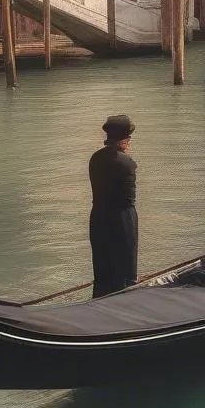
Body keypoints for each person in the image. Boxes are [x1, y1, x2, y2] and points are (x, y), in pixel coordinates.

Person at [88, 114, 138, 297]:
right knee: (124, 271)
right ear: (125, 139)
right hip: (121, 219)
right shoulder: (127, 163)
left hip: (99, 217)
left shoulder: (95, 158)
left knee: (103, 269)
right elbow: (128, 200)